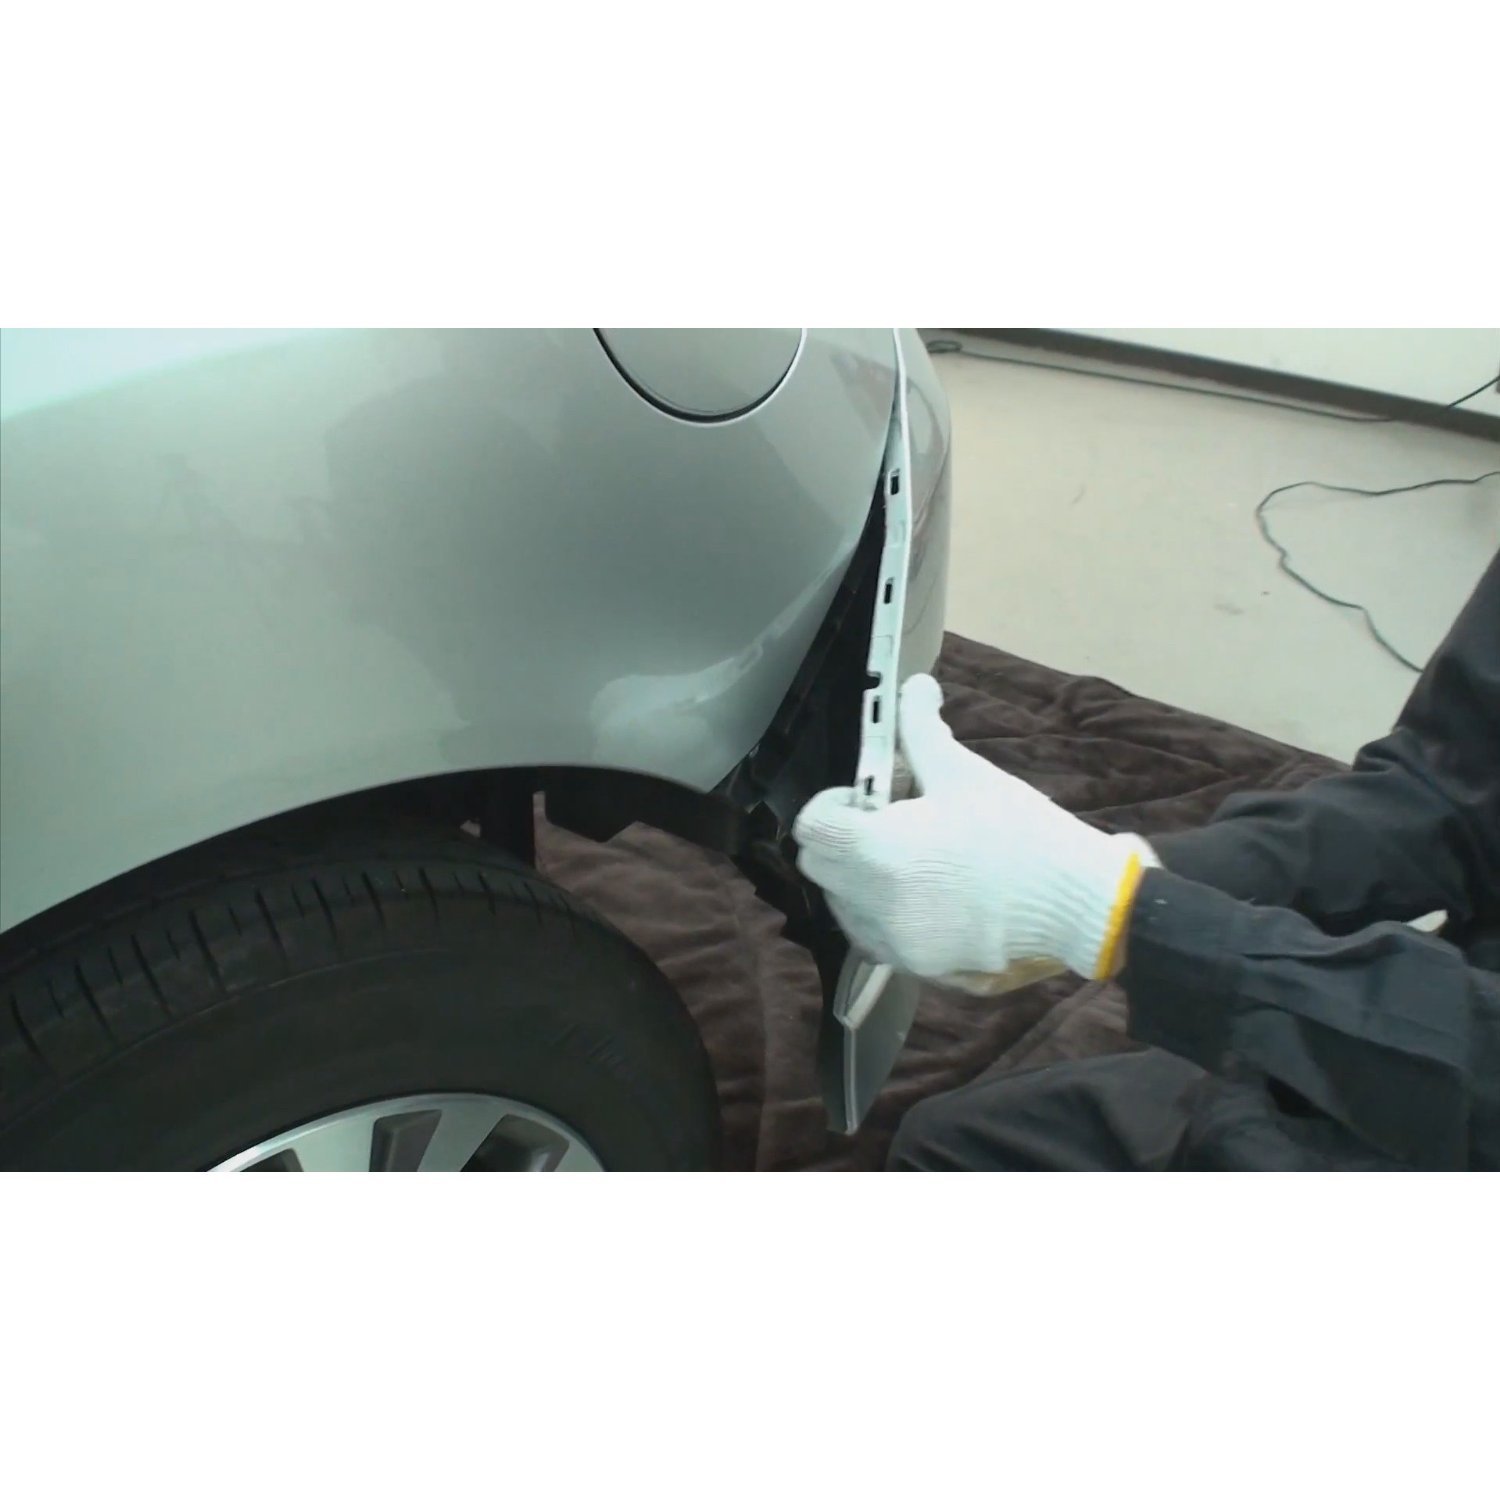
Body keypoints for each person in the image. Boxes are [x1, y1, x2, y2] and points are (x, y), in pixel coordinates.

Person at [793, 550, 1500, 1170]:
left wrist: (1116, 916)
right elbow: (1447, 793)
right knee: (958, 1143)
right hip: (1432, 1020)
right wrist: (1133, 872)